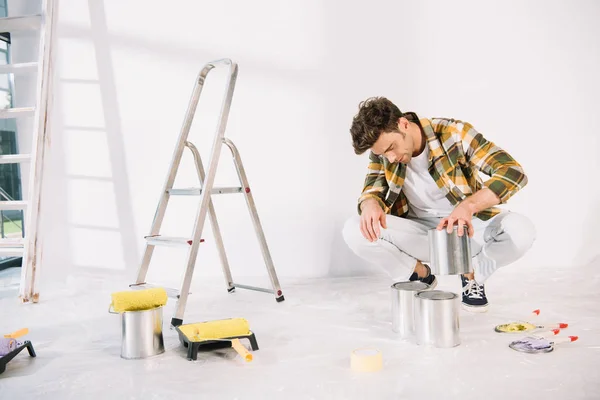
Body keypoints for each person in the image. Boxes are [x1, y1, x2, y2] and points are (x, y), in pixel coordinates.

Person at [342, 97, 536, 312]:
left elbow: (513, 172)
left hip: (469, 231)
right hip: (423, 235)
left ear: (403, 124)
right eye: (382, 154)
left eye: (392, 148)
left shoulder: (454, 132)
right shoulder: (384, 153)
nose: (391, 157)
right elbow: (372, 188)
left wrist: (468, 206)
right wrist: (370, 203)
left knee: (521, 230)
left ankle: (473, 274)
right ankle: (419, 275)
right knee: (355, 229)